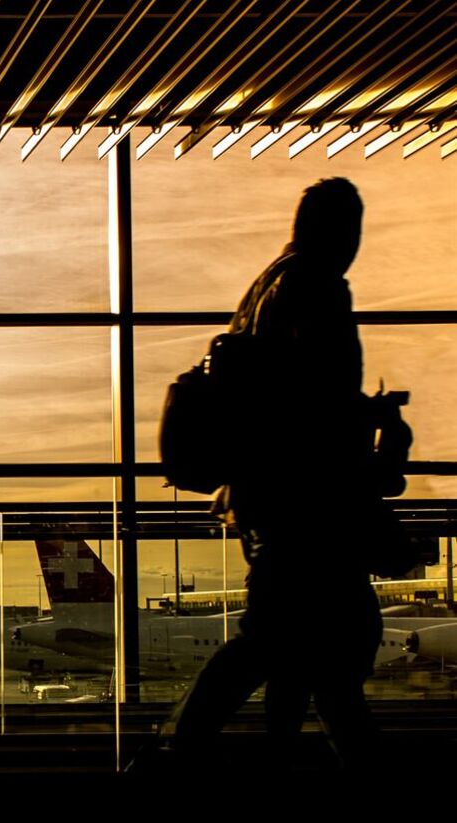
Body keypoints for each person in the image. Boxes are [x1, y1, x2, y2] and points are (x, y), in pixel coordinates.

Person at [155, 178, 392, 770]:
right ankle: (181, 752)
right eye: (351, 230)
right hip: (305, 500)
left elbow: (278, 397)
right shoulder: (317, 287)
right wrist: (368, 422)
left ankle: (206, 752)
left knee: (290, 645)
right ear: (338, 229)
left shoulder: (265, 288)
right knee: (296, 646)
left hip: (264, 496)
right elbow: (315, 403)